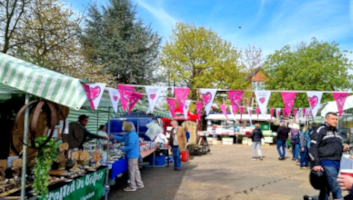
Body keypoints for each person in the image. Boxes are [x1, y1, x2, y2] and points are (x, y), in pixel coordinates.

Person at [309, 112, 350, 200]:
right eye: (332, 119)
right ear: (326, 119)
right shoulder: (320, 130)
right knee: (336, 187)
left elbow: (333, 146)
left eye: (336, 119)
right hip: (326, 161)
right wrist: (316, 163)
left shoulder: (337, 131)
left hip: (337, 162)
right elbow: (313, 147)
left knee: (326, 187)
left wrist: (343, 147)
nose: (335, 121)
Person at [111, 121, 144, 192]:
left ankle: (132, 186)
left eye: (125, 127)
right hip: (135, 154)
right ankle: (139, 183)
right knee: (136, 170)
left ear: (127, 128)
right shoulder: (132, 134)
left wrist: (121, 148)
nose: (124, 128)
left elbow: (130, 146)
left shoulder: (131, 135)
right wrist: (114, 137)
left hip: (132, 155)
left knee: (132, 171)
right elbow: (122, 139)